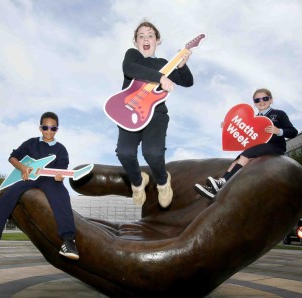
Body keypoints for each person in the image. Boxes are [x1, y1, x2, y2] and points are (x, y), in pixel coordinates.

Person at [0, 112, 78, 281]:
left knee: (61, 196)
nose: (49, 131)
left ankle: (68, 240)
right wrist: (22, 168)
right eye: (45, 127)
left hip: (50, 180)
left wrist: (59, 175)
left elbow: (62, 169)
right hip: (28, 179)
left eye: (53, 128)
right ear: (40, 127)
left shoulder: (61, 149)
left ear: (57, 129)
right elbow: (12, 157)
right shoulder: (30, 143)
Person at [115, 20, 194, 208]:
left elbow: (187, 81)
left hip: (156, 114)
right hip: (130, 112)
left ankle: (163, 182)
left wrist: (182, 65)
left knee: (152, 153)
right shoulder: (132, 55)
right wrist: (160, 78)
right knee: (124, 152)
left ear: (157, 40)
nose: (145, 38)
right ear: (136, 42)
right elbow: (130, 69)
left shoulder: (164, 64)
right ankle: (137, 182)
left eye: (150, 35)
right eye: (141, 36)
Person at [195, 88, 298, 200]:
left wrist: (278, 131)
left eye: (265, 98)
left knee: (246, 154)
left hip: (275, 147)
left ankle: (223, 182)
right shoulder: (253, 119)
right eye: (257, 100)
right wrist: (228, 126)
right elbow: (241, 133)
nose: (261, 102)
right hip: (257, 148)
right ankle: (218, 185)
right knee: (238, 159)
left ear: (271, 100)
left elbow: (293, 132)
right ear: (254, 103)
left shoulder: (279, 114)